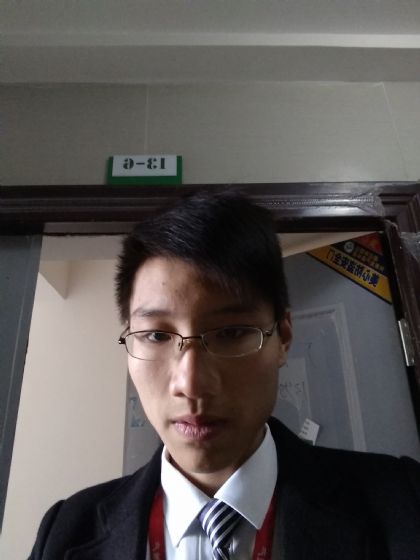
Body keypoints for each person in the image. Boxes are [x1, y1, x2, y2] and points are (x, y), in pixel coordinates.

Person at [29, 190, 420, 560]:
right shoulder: (67, 531)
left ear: (283, 337)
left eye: (231, 333)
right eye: (157, 335)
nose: (191, 383)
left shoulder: (404, 503)